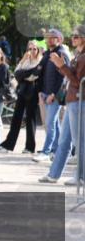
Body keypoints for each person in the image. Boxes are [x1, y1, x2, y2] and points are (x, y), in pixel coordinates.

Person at [39, 25, 85, 185]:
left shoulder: (84, 57)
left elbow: (78, 81)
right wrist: (62, 67)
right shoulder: (78, 54)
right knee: (64, 141)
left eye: (77, 36)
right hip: (71, 100)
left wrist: (61, 66)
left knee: (80, 140)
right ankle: (54, 174)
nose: (73, 38)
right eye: (73, 36)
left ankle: (81, 177)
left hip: (79, 101)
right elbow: (70, 76)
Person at [35, 29, 72, 163]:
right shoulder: (47, 54)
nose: (49, 40)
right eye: (47, 37)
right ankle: (56, 151)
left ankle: (46, 151)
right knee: (54, 124)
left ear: (59, 39)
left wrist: (53, 94)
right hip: (45, 93)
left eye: (53, 37)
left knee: (50, 123)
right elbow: (40, 73)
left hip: (54, 96)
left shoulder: (61, 53)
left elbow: (64, 77)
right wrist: (40, 92)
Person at [0, 44, 43, 153]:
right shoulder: (25, 60)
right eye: (30, 49)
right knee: (16, 118)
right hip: (22, 90)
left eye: (34, 49)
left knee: (30, 119)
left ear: (38, 50)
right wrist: (27, 72)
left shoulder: (40, 61)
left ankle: (29, 147)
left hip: (32, 91)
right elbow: (17, 74)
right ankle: (8, 145)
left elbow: (35, 75)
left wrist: (24, 74)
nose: (32, 51)